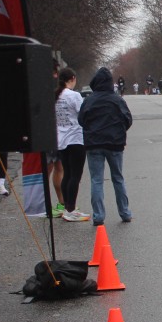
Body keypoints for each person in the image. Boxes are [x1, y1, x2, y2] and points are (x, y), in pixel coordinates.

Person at [79, 67, 133, 226]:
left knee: (96, 180)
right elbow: (128, 119)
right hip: (115, 143)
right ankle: (125, 212)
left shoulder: (89, 100)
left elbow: (81, 120)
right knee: (118, 178)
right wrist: (119, 131)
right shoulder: (117, 100)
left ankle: (98, 216)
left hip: (93, 144)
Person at [55, 68, 91, 222]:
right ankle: (71, 210)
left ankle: (66, 207)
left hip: (61, 139)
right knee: (75, 176)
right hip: (75, 138)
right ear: (73, 78)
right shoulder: (74, 95)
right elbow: (83, 114)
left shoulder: (56, 96)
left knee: (67, 174)